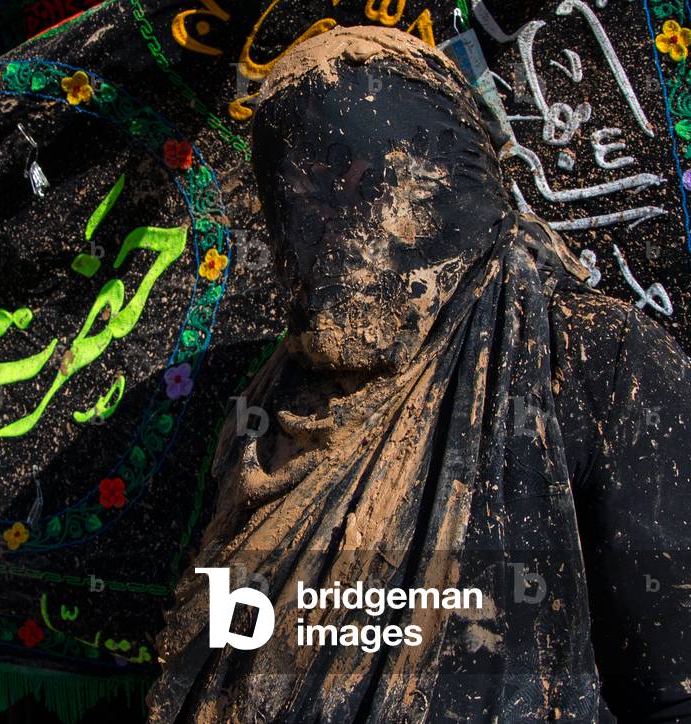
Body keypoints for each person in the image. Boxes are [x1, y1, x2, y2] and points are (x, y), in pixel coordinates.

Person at [149, 26, 691, 722]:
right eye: (301, 192)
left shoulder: (587, 353)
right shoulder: (268, 409)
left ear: (441, 169)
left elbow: (674, 687)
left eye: (354, 177)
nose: (327, 224)